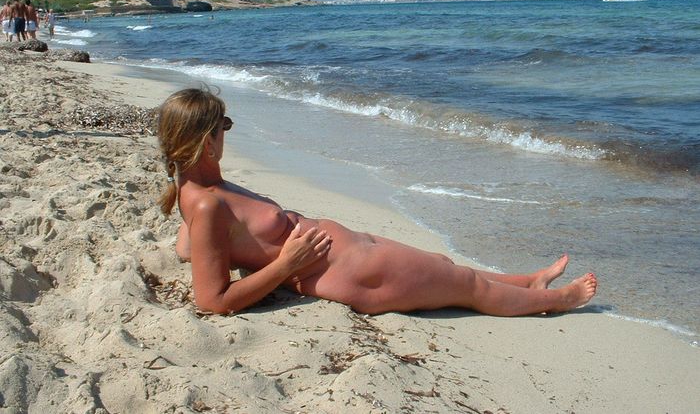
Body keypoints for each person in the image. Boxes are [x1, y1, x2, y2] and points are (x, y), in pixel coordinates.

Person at [157, 88, 597, 316]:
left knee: (444, 265)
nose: (227, 134)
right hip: (354, 273)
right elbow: (213, 300)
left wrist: (222, 247)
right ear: (206, 142)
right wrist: (285, 265)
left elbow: (193, 245)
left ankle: (529, 283)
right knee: (468, 287)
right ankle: (560, 300)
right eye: (224, 127)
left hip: (353, 257)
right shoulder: (206, 204)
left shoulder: (199, 194)